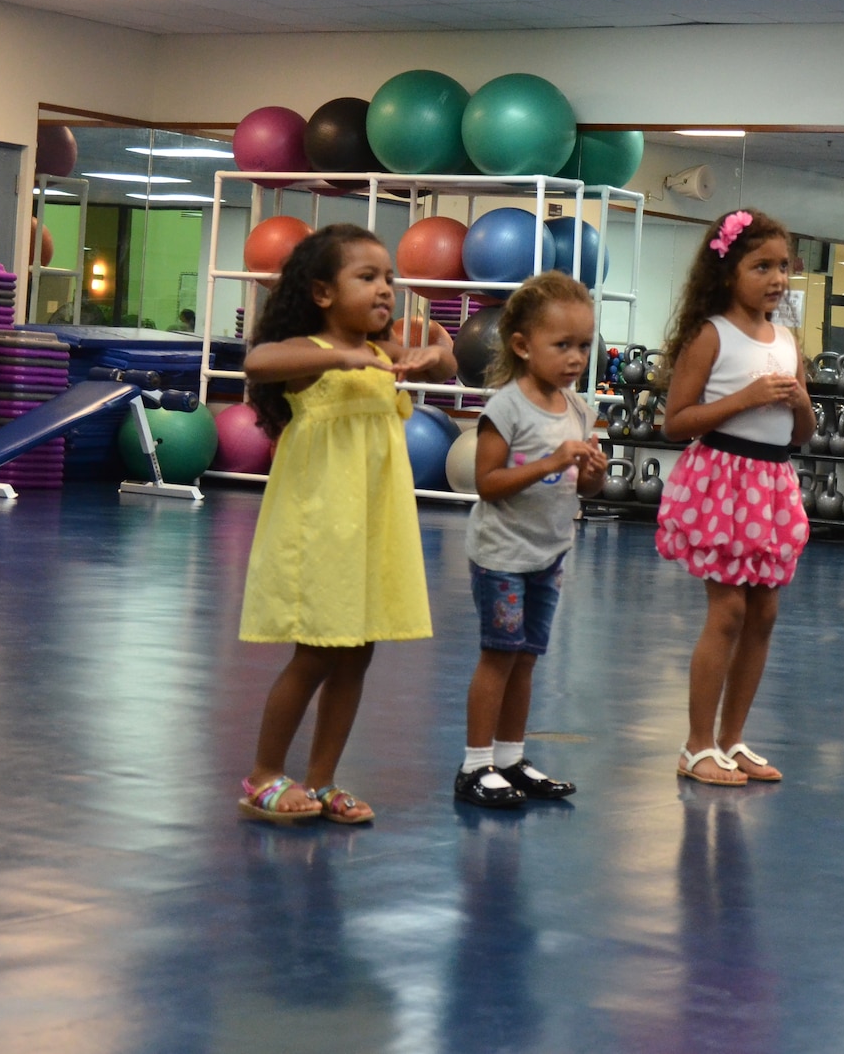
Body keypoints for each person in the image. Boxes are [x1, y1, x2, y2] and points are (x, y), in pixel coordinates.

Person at [236, 222, 457, 824]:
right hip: (322, 530)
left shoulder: (386, 354)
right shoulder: (313, 358)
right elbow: (259, 360)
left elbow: (447, 361)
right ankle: (262, 775)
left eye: (389, 278)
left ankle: (324, 779)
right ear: (322, 292)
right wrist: (342, 356)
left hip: (372, 528)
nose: (385, 289)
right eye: (367, 277)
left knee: (358, 654)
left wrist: (433, 354)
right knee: (313, 653)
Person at [656, 209, 817, 785]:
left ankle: (733, 739)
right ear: (728, 272)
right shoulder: (711, 335)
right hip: (723, 481)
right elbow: (676, 421)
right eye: (761, 266)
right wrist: (746, 398)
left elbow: (800, 434)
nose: (776, 278)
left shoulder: (787, 339)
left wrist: (800, 403)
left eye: (782, 267)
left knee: (764, 613)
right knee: (726, 613)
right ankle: (697, 745)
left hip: (771, 485)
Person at [455, 272, 608, 811]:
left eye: (583, 346)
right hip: (502, 554)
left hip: (549, 553)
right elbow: (487, 483)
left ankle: (512, 756)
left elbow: (585, 486)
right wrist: (551, 460)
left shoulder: (577, 410)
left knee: (526, 659)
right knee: (498, 656)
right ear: (522, 345)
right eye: (562, 345)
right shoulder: (506, 409)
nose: (575, 358)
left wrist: (592, 469)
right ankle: (476, 765)